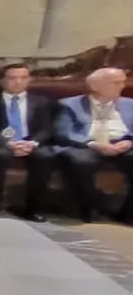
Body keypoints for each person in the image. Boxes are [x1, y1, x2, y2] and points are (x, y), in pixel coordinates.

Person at [0, 62, 62, 221]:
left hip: (30, 142)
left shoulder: (42, 101)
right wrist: (7, 143)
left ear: (29, 80)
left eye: (23, 78)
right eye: (12, 78)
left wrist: (32, 143)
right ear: (2, 81)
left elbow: (47, 129)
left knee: (45, 156)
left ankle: (33, 209)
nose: (18, 82)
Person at [57, 66, 133, 223]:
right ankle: (91, 207)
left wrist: (129, 141)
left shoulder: (130, 104)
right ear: (95, 86)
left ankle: (127, 212)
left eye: (122, 82)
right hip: (85, 144)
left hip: (121, 144)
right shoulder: (68, 105)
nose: (122, 86)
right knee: (80, 161)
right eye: (116, 82)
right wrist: (94, 144)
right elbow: (64, 132)